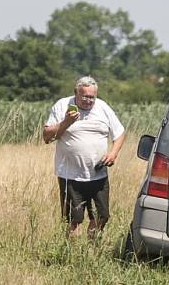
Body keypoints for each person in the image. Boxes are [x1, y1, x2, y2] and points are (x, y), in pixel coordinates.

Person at [43, 76, 126, 237]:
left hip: (98, 175)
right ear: (76, 93)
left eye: (92, 97)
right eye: (85, 96)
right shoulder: (62, 106)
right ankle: (72, 256)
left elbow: (120, 133)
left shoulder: (103, 107)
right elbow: (46, 137)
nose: (89, 100)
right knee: (74, 219)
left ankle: (91, 249)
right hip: (71, 175)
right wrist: (66, 122)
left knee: (102, 216)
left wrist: (113, 153)